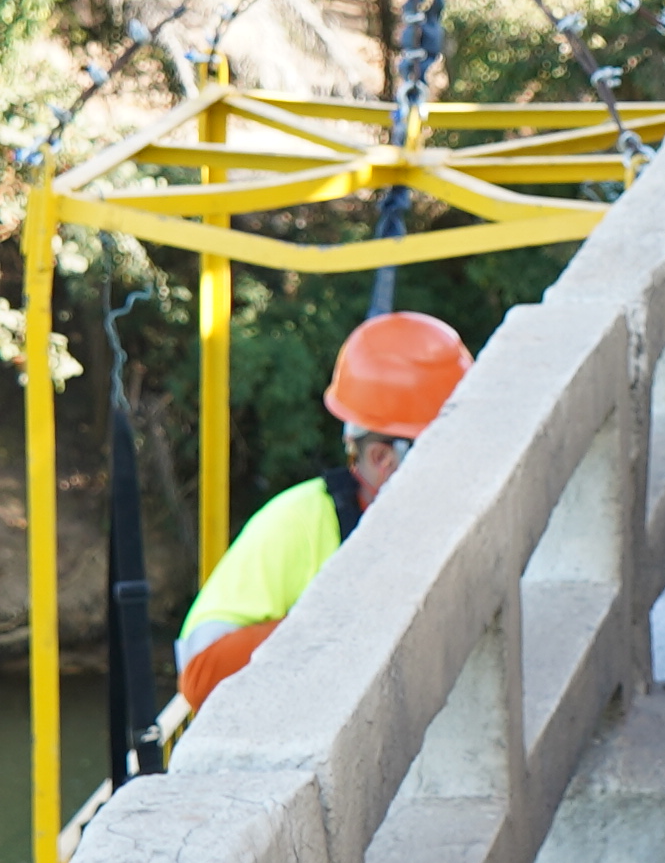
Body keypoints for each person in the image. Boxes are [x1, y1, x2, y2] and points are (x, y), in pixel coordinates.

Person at [161, 307, 474, 732]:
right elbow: (201, 678)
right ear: (383, 458)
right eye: (442, 450)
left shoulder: (445, 519)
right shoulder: (299, 522)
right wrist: (332, 630)